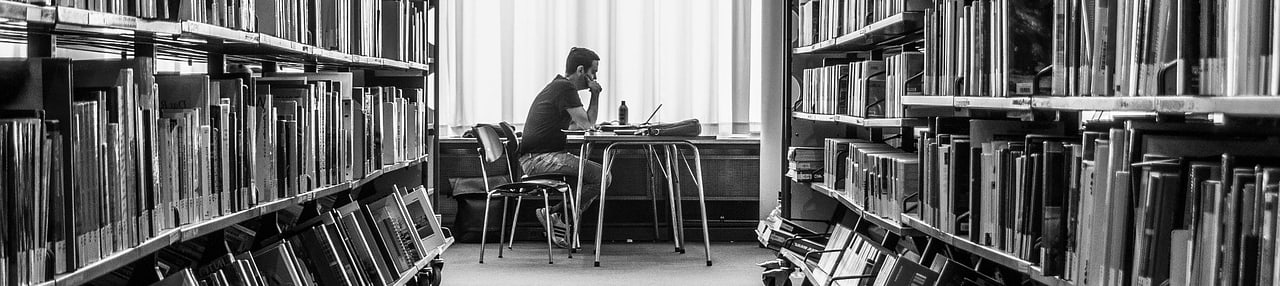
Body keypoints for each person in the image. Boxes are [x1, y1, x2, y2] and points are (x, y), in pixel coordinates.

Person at [518, 47, 605, 247]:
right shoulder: (565, 88)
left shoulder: (559, 87)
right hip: (539, 159)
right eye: (594, 72)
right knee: (602, 177)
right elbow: (587, 124)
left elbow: (577, 124)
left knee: (593, 176)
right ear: (581, 70)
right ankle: (555, 214)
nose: (595, 77)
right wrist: (596, 95)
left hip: (537, 157)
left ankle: (556, 214)